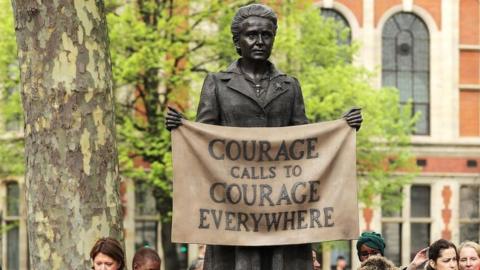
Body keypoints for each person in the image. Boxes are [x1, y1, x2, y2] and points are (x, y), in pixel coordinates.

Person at [166, 3, 362, 269]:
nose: (259, 41)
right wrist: (182, 129)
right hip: (235, 217)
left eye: (266, 35)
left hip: (283, 216)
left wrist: (342, 128)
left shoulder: (290, 86)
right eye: (251, 35)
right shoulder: (216, 83)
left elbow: (306, 145)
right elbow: (203, 146)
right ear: (238, 41)